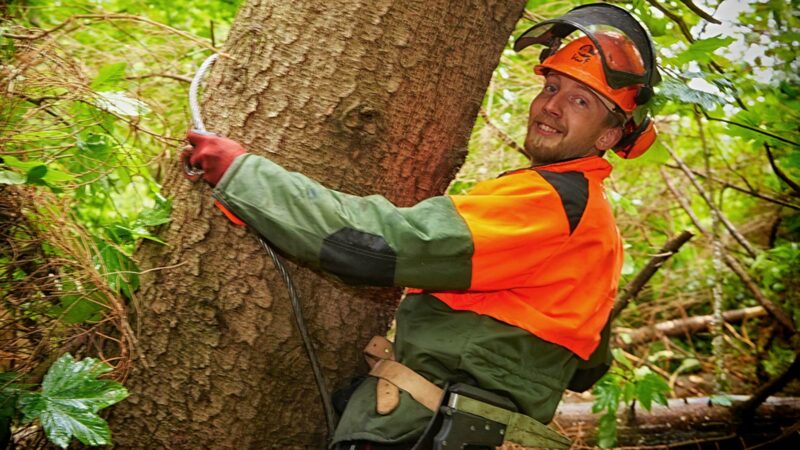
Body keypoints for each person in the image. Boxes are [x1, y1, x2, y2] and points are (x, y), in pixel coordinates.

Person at [184, 4, 659, 448]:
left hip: (423, 431)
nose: (552, 107)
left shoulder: (550, 201)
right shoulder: (597, 226)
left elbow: (378, 244)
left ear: (610, 135)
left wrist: (245, 177)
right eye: (552, 88)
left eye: (580, 101)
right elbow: (587, 366)